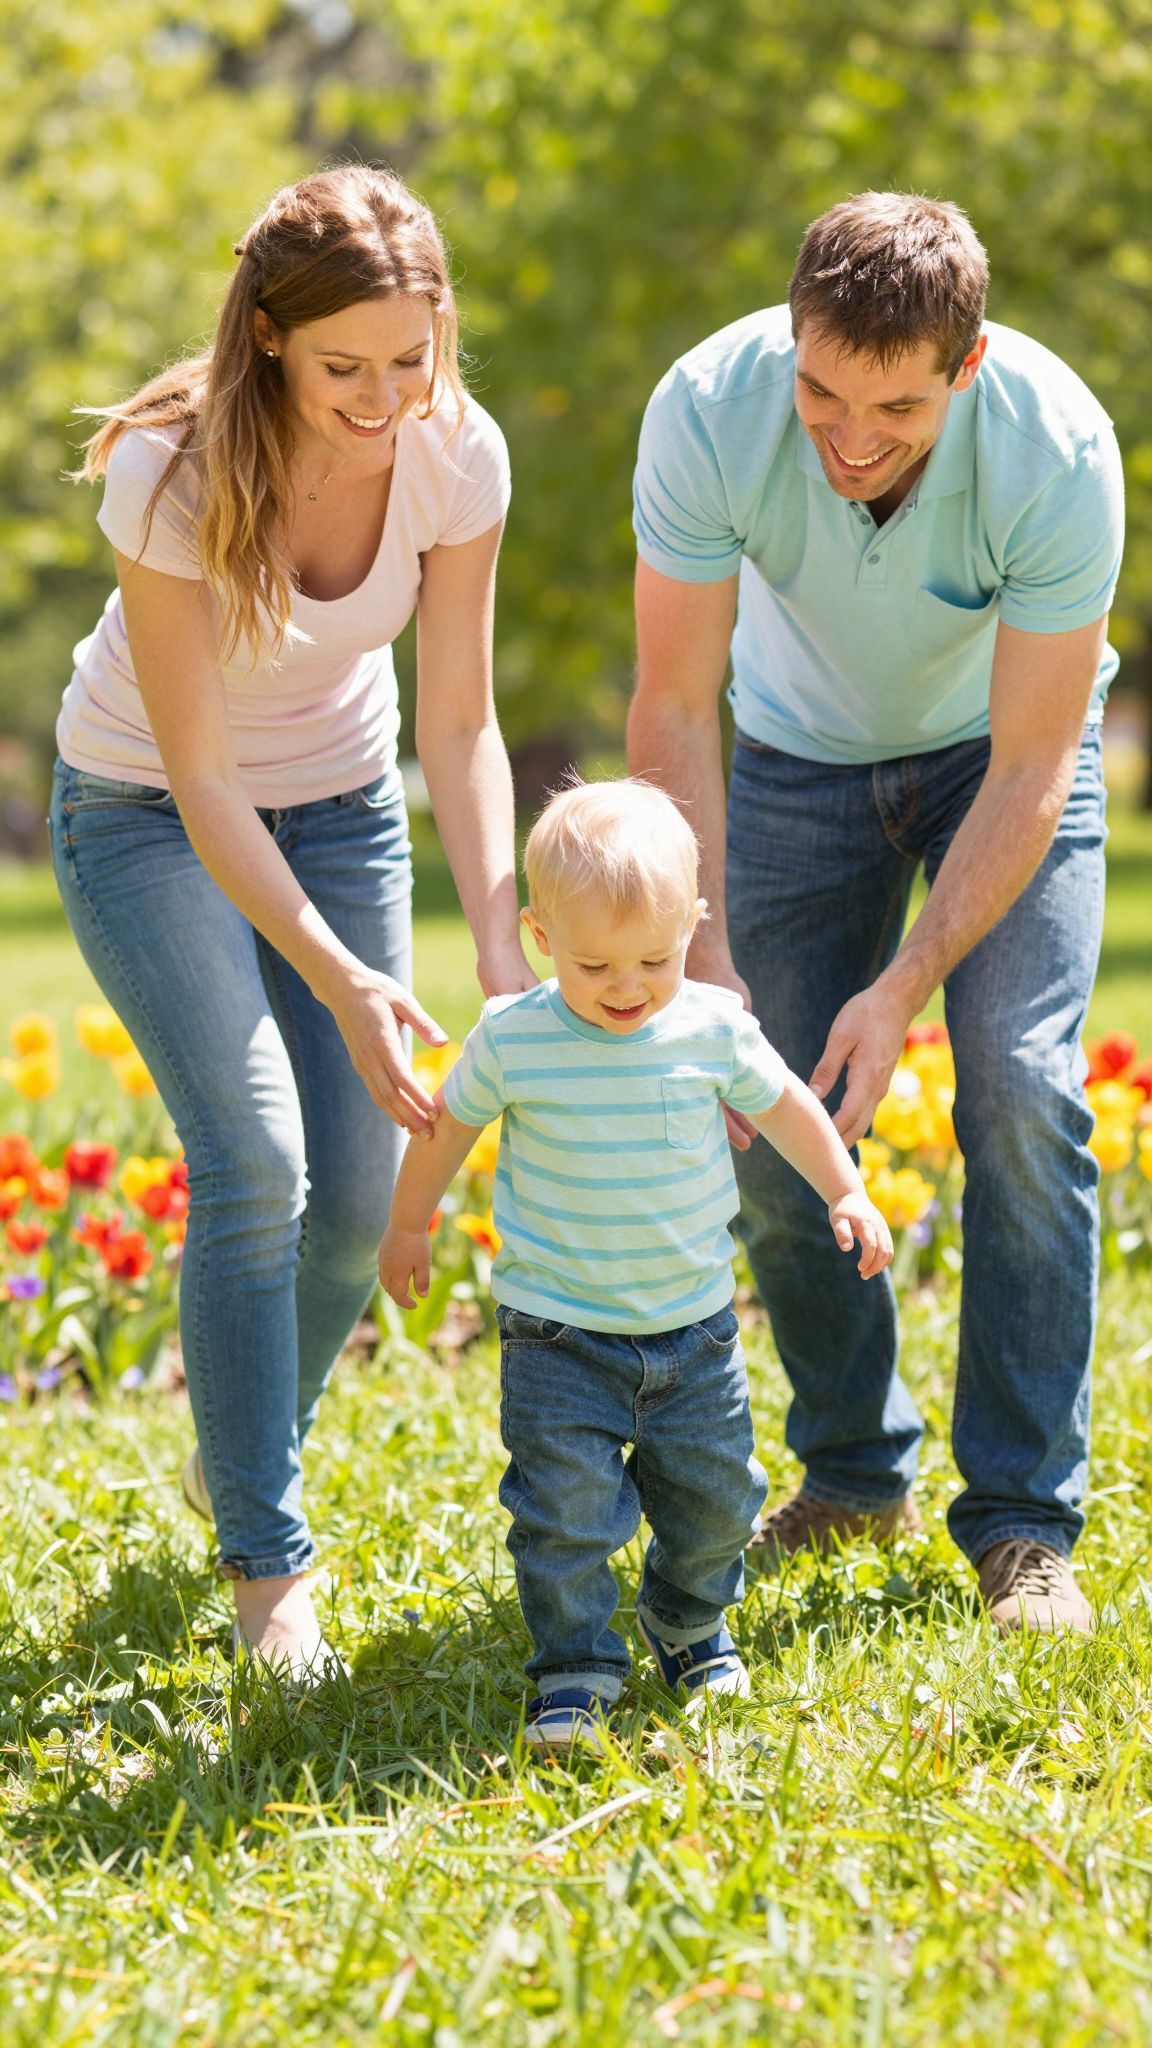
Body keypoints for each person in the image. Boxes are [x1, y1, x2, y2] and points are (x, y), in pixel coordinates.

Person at [51, 165, 534, 1678]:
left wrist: (506, 946)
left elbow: (456, 723)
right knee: (254, 1151)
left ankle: (238, 1440)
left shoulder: (458, 454)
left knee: (362, 1184)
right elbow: (200, 780)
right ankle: (269, 1565)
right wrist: (336, 978)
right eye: (346, 368)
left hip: (343, 805)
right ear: (266, 334)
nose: (385, 397)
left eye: (414, 356)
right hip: (141, 810)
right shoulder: (169, 469)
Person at [629, 191, 1125, 1633]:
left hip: (1003, 754)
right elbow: (671, 704)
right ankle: (852, 1471)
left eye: (895, 407)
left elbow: (1037, 762)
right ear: (790, 339)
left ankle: (1025, 1525)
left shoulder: (1057, 447)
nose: (848, 437)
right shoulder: (708, 413)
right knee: (767, 1099)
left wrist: (905, 982)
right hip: (792, 757)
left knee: (1026, 1092)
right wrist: (704, 961)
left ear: (965, 369)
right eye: (822, 389)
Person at [377, 781, 892, 1747]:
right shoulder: (517, 1037)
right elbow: (446, 1128)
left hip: (693, 1331)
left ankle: (687, 1619)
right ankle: (573, 1667)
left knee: (717, 1501)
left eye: (655, 957)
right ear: (538, 936)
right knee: (563, 1515)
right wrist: (410, 1224)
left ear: (693, 927)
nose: (626, 985)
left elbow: (783, 1104)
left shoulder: (708, 1026)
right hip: (556, 1335)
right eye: (593, 962)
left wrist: (845, 1189)